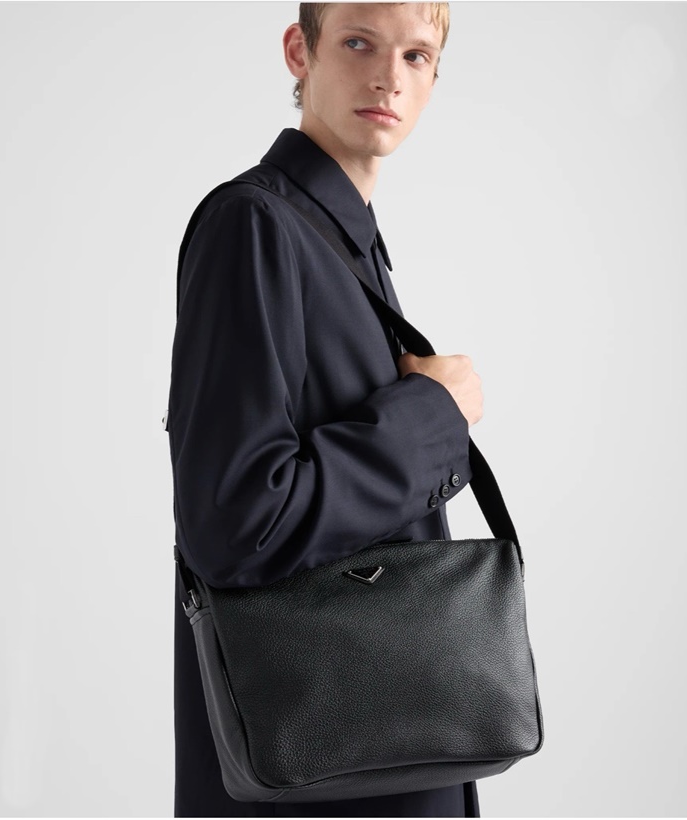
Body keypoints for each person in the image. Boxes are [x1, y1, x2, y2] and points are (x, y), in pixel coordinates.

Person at [167, 2, 484, 816]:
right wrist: (434, 415)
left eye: (417, 56)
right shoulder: (254, 226)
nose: (388, 79)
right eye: (358, 43)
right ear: (298, 51)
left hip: (369, 750)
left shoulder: (341, 241)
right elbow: (236, 521)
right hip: (327, 776)